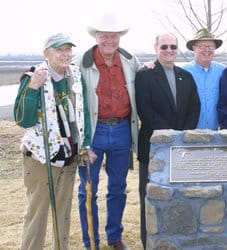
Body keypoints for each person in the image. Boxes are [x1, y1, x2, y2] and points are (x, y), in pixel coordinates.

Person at [14, 33, 95, 250]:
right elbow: (23, 119)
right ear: (46, 53)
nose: (65, 54)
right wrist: (32, 89)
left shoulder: (75, 74)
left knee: (63, 214)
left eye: (68, 49)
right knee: (37, 214)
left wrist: (85, 145)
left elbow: (84, 113)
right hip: (40, 159)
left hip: (69, 155)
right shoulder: (33, 76)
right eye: (59, 50)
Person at [74, 13, 140, 250]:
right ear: (97, 37)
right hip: (94, 131)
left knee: (118, 188)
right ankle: (90, 240)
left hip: (122, 129)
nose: (109, 40)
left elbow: (141, 84)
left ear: (119, 37)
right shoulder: (83, 64)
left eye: (114, 35)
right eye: (104, 36)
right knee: (88, 189)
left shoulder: (130, 61)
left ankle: (114, 236)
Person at [135, 33, 200, 249]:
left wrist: (181, 135)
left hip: (181, 147)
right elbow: (146, 110)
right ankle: (149, 242)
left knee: (179, 197)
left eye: (173, 46)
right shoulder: (144, 75)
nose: (169, 50)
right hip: (154, 147)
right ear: (156, 48)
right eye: (164, 46)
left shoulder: (185, 76)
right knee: (150, 197)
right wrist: (170, 134)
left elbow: (194, 107)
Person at [184, 28, 225, 129]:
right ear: (194, 48)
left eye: (210, 46)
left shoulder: (223, 71)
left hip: (216, 135)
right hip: (189, 134)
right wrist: (150, 65)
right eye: (202, 46)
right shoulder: (182, 72)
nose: (207, 50)